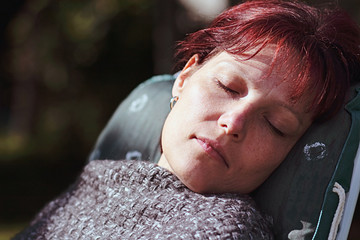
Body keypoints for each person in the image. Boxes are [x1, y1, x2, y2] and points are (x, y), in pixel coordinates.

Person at [13, 0, 360, 239]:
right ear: (183, 77)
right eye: (227, 86)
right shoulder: (97, 181)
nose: (234, 122)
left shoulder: (225, 231)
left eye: (275, 125)